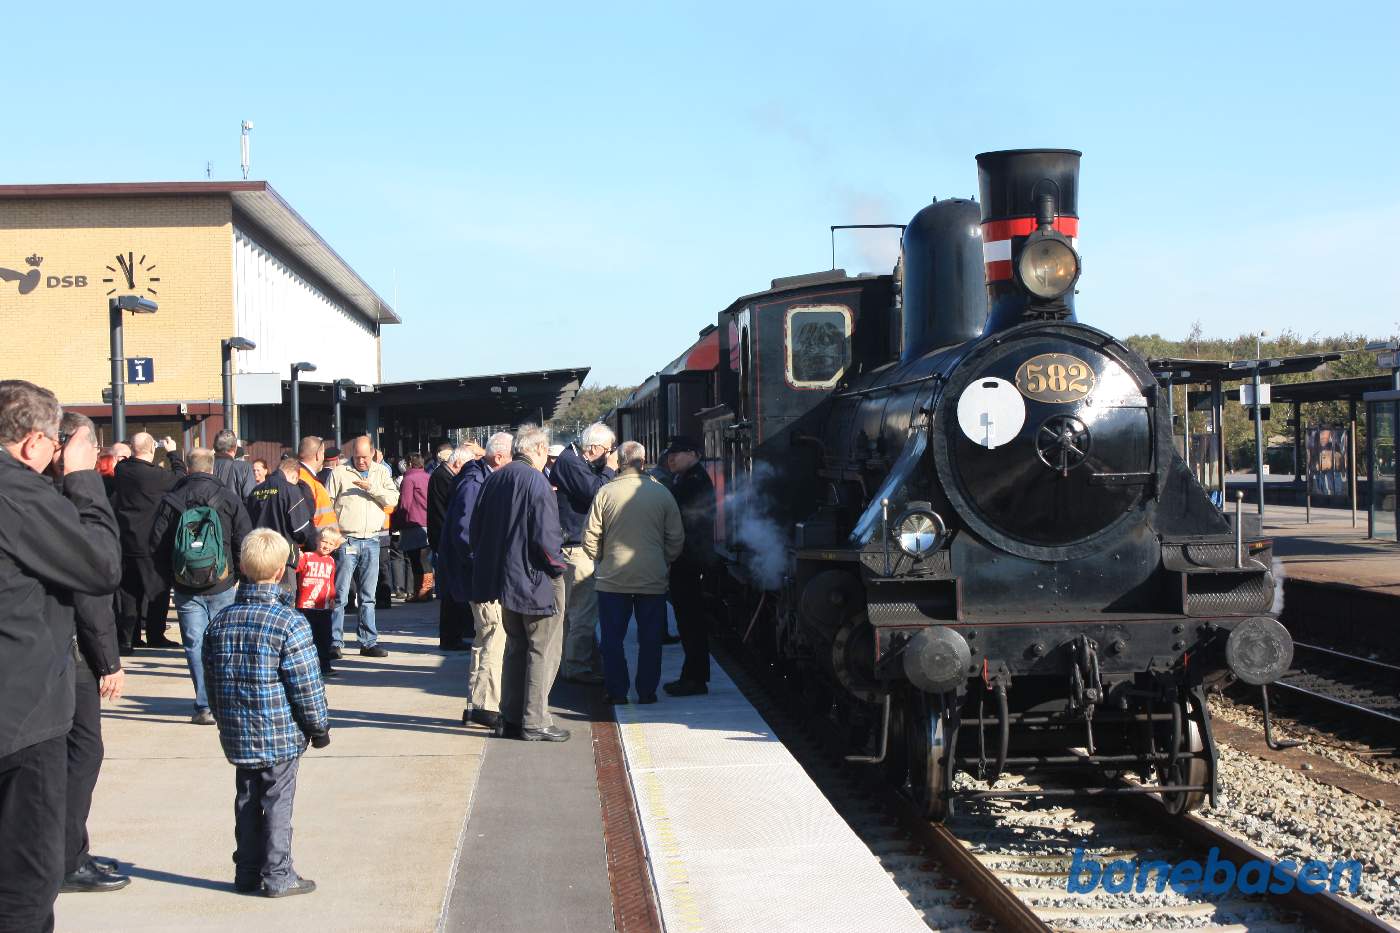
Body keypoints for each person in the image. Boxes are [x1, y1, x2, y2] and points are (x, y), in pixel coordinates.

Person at [0, 380, 122, 930]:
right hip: (21, 719)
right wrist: (81, 478)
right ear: (33, 443)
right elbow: (99, 565)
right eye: (53, 443)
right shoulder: (17, 492)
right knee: (26, 884)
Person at [203, 529, 329, 898]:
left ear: (241, 567)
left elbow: (211, 681)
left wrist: (222, 718)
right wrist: (319, 727)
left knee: (247, 799)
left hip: (238, 731)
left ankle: (247, 871)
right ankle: (278, 873)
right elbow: (307, 685)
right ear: (279, 572)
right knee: (277, 800)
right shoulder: (289, 622)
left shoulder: (221, 622)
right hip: (280, 733)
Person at [51, 413, 130, 895]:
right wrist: (109, 661)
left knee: (72, 753)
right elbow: (92, 588)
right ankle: (65, 858)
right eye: (88, 445)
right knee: (82, 752)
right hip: (73, 650)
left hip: (65, 648)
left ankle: (70, 850)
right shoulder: (68, 497)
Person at [469, 426, 569, 742]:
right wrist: (558, 567)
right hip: (536, 579)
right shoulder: (537, 482)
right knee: (543, 649)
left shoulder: (495, 478)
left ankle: (511, 717)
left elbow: (476, 530)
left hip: (505, 580)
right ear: (537, 449)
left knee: (515, 647)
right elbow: (546, 537)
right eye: (546, 452)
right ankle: (535, 720)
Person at [150, 448, 253, 725]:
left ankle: (204, 706)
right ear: (212, 468)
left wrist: (173, 577)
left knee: (195, 645)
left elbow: (156, 543)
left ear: (188, 468)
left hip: (186, 586)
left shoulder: (171, 500)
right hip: (222, 582)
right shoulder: (228, 498)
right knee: (224, 643)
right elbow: (244, 538)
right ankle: (226, 701)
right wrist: (234, 573)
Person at [583, 441, 684, 705]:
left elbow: (590, 537)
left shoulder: (605, 493)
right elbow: (676, 537)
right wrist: (663, 560)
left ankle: (617, 692)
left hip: (612, 579)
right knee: (651, 639)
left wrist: (602, 559)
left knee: (612, 639)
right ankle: (647, 692)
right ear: (643, 460)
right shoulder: (662, 493)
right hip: (652, 578)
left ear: (619, 462)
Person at [440, 432, 512, 717]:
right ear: (499, 458)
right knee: (494, 634)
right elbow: (465, 534)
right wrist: (483, 566)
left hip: (476, 575)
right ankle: (486, 706)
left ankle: (478, 703)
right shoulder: (475, 484)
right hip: (479, 577)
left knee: (485, 637)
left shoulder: (478, 479)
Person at [552, 422, 618, 685]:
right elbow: (597, 492)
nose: (608, 455)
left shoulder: (573, 460)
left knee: (573, 612)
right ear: (594, 448)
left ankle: (569, 662)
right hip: (576, 549)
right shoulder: (571, 462)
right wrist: (610, 468)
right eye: (607, 450)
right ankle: (576, 666)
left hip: (573, 546)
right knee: (583, 612)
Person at [325, 436, 399, 657]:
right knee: (340, 594)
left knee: (368, 595)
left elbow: (393, 500)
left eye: (365, 457)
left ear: (373, 453)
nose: (361, 461)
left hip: (372, 541)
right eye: (357, 457)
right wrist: (333, 536)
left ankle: (368, 642)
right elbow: (327, 504)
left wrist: (372, 488)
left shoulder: (381, 473)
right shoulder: (339, 472)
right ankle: (335, 642)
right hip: (347, 540)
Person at [111, 431, 185, 652]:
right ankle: (155, 635)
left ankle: (128, 639)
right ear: (152, 448)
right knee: (158, 592)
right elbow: (181, 477)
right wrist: (173, 453)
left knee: (129, 593)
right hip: (152, 542)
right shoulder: (157, 476)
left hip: (126, 541)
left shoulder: (121, 470)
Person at [662, 436, 718, 696]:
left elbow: (681, 518)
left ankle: (694, 678)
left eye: (678, 452)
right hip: (688, 557)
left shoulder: (693, 482)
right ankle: (693, 675)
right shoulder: (685, 479)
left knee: (690, 621)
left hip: (690, 558)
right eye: (670, 453)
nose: (671, 457)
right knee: (687, 620)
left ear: (694, 454)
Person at [247, 456, 320, 603]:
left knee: (260, 601)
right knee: (284, 602)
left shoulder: (255, 491)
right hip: (283, 556)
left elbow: (248, 523)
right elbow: (301, 529)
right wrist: (306, 544)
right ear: (294, 476)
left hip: (258, 555)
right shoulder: (291, 490)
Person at [296, 527, 343, 677]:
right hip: (306, 606)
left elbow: (331, 582)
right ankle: (306, 668)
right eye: (324, 541)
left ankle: (324, 666)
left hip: (324, 607)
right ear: (317, 540)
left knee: (325, 638)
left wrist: (332, 598)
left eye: (331, 544)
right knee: (308, 638)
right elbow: (296, 569)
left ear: (335, 547)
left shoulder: (331, 561)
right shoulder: (307, 557)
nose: (327, 546)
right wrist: (296, 556)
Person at [396, 453, 433, 601]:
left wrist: (398, 522)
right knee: (425, 559)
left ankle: (420, 592)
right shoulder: (428, 477)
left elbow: (405, 504)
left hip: (412, 524)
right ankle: (427, 591)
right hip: (428, 523)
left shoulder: (408, 479)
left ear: (410, 463)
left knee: (415, 560)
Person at [427, 443, 473, 559]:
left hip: (442, 535)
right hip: (443, 536)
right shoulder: (444, 477)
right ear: (458, 463)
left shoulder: (442, 474)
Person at [296, 437, 337, 534]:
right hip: (319, 540)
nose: (323, 458)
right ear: (318, 455)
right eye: (323, 453)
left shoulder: (298, 476)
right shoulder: (306, 481)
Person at [212, 429, 257, 501]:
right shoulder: (244, 468)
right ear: (235, 448)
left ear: (214, 447)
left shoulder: (203, 467)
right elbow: (250, 499)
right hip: (235, 507)